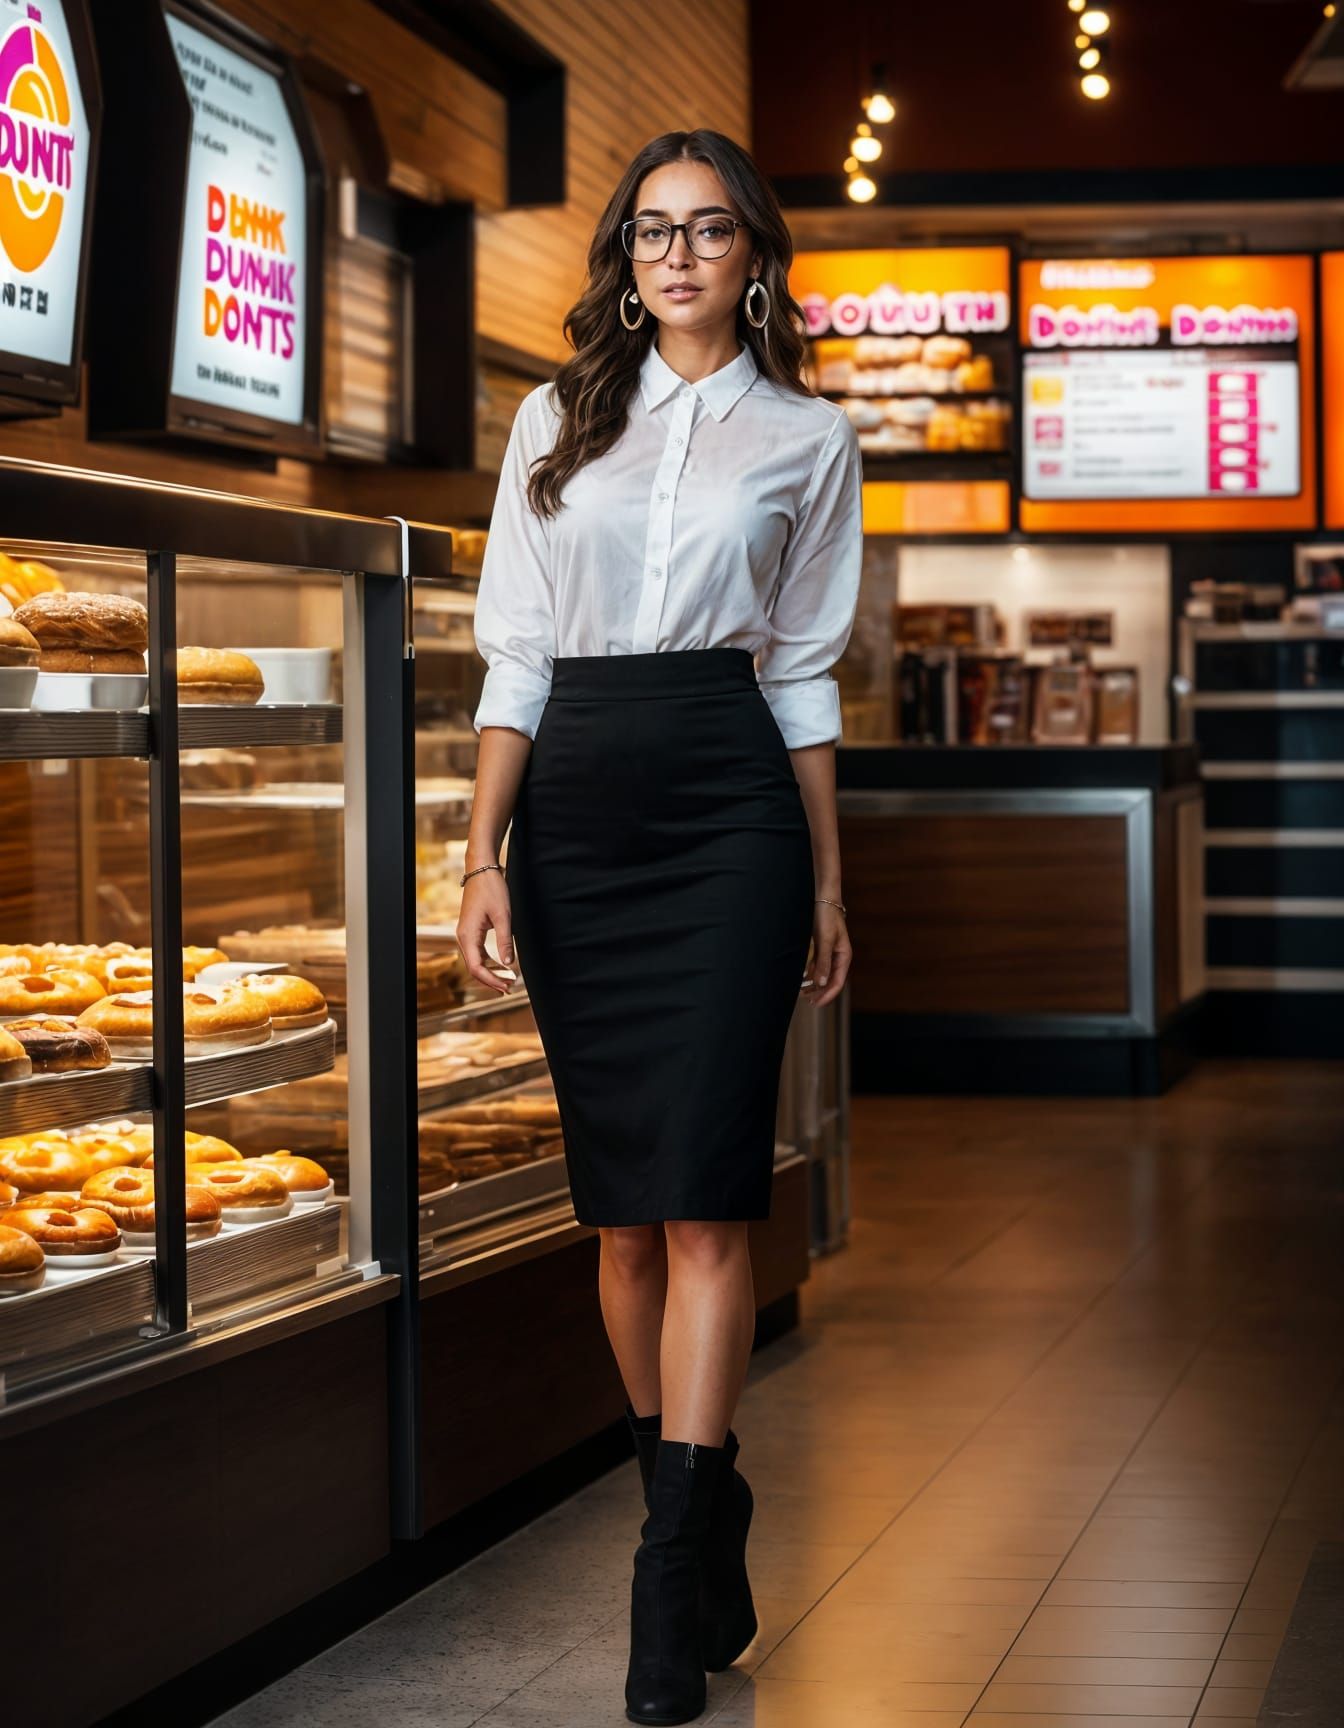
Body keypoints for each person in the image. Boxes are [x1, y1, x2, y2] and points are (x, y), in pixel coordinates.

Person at [456, 127, 862, 1726]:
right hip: (578, 817)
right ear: (626, 258)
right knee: (621, 1221)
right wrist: (481, 852)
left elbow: (805, 671)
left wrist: (826, 877)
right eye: (650, 232)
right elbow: (515, 659)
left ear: (756, 255)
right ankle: (708, 1509)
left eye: (708, 231)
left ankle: (664, 1565)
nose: (678, 255)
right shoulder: (553, 422)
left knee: (707, 1204)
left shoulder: (809, 439)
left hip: (732, 809)